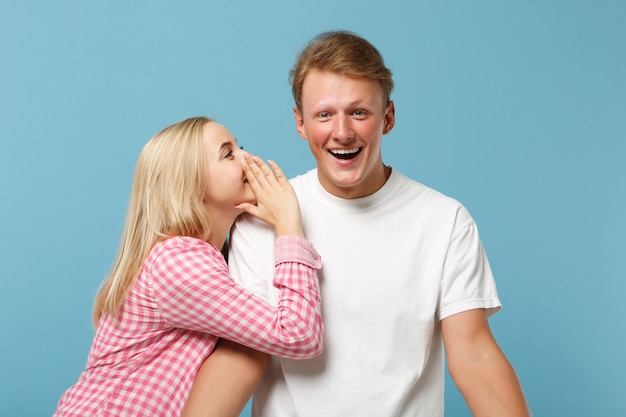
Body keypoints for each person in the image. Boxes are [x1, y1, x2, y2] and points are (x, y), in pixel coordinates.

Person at [211, 30, 531, 416]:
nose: (342, 132)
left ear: (388, 118)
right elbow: (243, 354)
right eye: (324, 114)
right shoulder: (261, 220)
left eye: (359, 112)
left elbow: (475, 356)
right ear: (300, 123)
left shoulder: (445, 221)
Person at [52, 116, 324, 417]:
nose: (249, 158)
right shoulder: (178, 261)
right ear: (191, 184)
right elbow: (298, 334)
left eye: (240, 146)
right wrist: (289, 225)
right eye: (228, 154)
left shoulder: (201, 257)